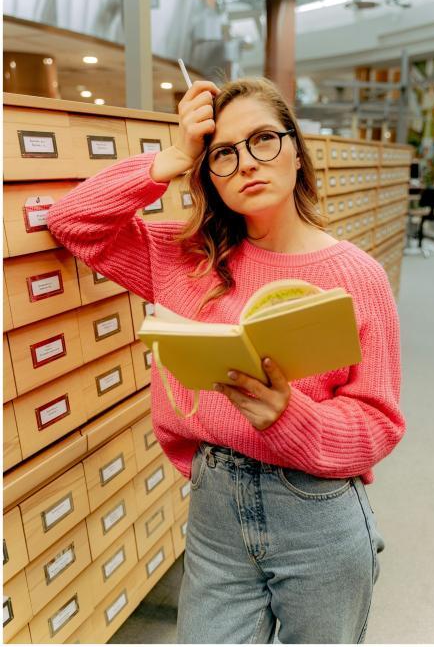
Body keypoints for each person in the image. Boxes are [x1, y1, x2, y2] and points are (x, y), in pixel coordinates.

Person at [47, 77, 406, 644]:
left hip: (318, 511)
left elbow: (378, 423)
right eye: (223, 153)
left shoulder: (358, 276)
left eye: (263, 139)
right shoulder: (184, 259)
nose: (246, 163)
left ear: (295, 149)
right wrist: (169, 158)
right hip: (215, 507)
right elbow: (74, 222)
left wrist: (289, 417)